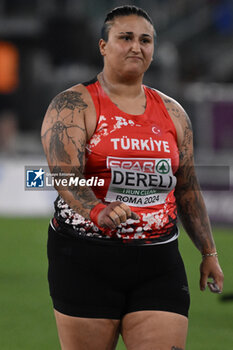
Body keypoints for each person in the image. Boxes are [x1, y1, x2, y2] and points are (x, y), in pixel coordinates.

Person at [41, 5, 224, 350]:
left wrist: (208, 252)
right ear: (103, 46)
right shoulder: (73, 105)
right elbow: (63, 173)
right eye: (125, 37)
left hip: (158, 260)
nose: (136, 47)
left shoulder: (173, 113)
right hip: (84, 258)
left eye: (145, 40)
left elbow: (186, 186)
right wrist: (98, 210)